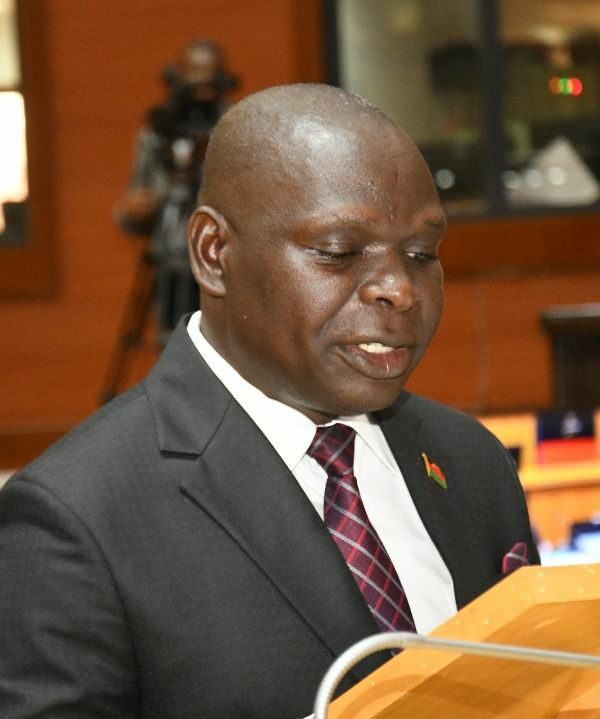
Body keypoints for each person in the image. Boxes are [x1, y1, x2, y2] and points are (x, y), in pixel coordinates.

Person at [0, 83, 539, 718]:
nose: (400, 289)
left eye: (421, 254)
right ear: (214, 253)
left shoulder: (471, 461)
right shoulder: (73, 522)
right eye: (338, 253)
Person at [114, 38, 236, 337]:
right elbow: (134, 204)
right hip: (169, 260)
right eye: (194, 73)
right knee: (174, 342)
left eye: (209, 74)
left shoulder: (236, 129)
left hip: (223, 264)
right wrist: (133, 210)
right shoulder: (158, 132)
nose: (202, 86)